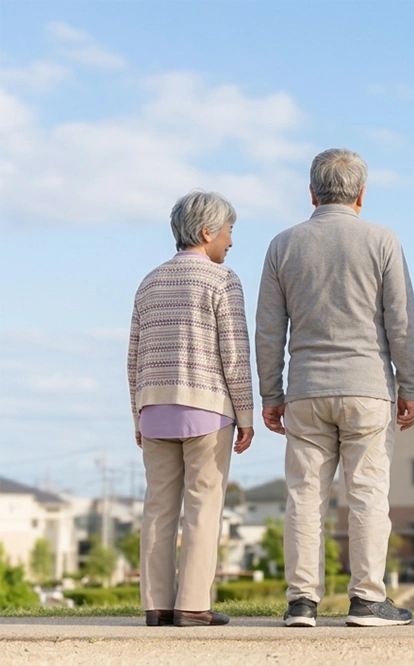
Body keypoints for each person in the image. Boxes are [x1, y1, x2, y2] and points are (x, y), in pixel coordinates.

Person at [256, 148, 414, 628]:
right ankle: (368, 600)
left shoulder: (283, 245)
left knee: (304, 497)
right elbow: (402, 321)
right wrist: (409, 386)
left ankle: (302, 602)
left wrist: (271, 394)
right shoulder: (382, 240)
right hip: (368, 386)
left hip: (306, 388)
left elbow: (269, 329)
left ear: (311, 192)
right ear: (361, 195)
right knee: (368, 494)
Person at [127, 190, 254, 627]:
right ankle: (193, 605)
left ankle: (157, 605)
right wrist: (246, 416)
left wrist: (137, 413)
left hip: (154, 409)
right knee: (203, 505)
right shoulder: (223, 281)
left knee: (158, 507)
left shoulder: (149, 281)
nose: (231, 242)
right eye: (229, 231)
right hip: (207, 410)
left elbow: (134, 355)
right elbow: (235, 356)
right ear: (207, 232)